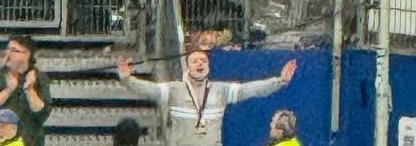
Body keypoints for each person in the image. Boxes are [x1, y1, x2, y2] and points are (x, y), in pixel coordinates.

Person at [115, 46, 296, 145]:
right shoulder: (174, 90)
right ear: (187, 68)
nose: (200, 63)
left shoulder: (220, 90)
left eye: (204, 60)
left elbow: (251, 89)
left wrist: (280, 81)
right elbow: (151, 90)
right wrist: (128, 79)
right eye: (195, 61)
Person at [0, 37, 50, 146]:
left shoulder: (39, 78)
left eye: (14, 50)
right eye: (8, 49)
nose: (8, 54)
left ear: (27, 54)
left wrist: (29, 90)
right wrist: (8, 90)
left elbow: (42, 113)